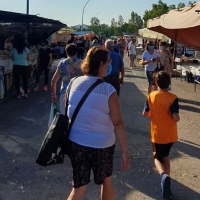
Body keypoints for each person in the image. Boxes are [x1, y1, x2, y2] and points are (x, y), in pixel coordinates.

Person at [66, 46, 130, 200]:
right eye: (108, 62)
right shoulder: (108, 90)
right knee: (106, 181)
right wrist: (125, 151)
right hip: (102, 145)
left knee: (78, 187)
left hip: (76, 143)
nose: (109, 65)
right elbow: (118, 123)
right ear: (101, 64)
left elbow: (67, 110)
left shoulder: (73, 82)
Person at [142, 71, 180, 199]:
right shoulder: (173, 97)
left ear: (156, 83)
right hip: (170, 134)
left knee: (157, 158)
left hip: (157, 134)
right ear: (169, 83)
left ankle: (163, 175)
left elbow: (145, 113)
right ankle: (167, 184)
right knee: (166, 156)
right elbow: (176, 118)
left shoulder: (151, 96)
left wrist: (154, 113)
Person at [51, 44, 82, 114]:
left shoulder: (62, 63)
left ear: (66, 52)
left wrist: (54, 95)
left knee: (63, 116)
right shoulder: (81, 63)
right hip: (78, 92)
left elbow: (54, 80)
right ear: (76, 52)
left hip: (65, 92)